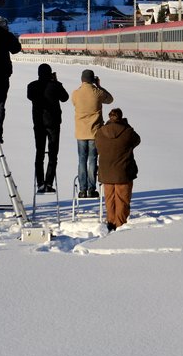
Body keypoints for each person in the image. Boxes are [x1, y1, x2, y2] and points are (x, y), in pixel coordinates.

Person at [94, 107, 140, 232]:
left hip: (106, 172)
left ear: (109, 117)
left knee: (109, 199)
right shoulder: (128, 131)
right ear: (121, 117)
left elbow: (97, 145)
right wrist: (126, 125)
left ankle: (111, 222)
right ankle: (120, 225)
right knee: (122, 200)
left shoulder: (100, 132)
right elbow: (137, 140)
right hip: (123, 172)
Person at [71, 69, 113, 198]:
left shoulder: (76, 93)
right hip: (94, 133)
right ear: (92, 79)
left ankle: (82, 190)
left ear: (82, 79)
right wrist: (99, 86)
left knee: (81, 160)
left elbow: (74, 102)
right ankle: (91, 189)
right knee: (92, 160)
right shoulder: (97, 92)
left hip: (80, 133)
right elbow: (110, 99)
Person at [26, 63, 68, 193]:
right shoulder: (55, 85)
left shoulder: (32, 86)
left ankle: (40, 183)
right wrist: (55, 81)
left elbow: (30, 96)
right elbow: (65, 98)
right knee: (53, 154)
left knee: (39, 153)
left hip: (39, 123)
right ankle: (49, 183)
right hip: (53, 123)